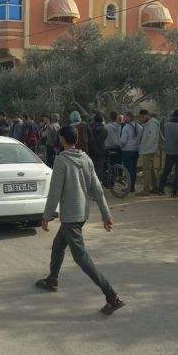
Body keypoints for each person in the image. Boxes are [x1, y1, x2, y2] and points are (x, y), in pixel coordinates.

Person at [35, 125, 125, 315]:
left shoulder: (61, 161)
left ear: (61, 140)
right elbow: (98, 190)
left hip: (70, 217)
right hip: (82, 214)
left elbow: (54, 192)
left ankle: (111, 295)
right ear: (76, 139)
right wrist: (106, 215)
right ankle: (52, 280)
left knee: (81, 257)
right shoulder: (86, 159)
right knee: (58, 246)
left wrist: (46, 217)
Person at [158, 110, 178, 197]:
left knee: (166, 171)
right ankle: (174, 192)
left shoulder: (166, 125)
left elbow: (163, 137)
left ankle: (160, 189)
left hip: (169, 152)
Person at [136, 109, 161, 195]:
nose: (142, 119)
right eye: (141, 117)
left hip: (148, 150)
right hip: (150, 149)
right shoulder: (150, 124)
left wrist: (145, 148)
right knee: (150, 170)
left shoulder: (151, 124)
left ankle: (146, 190)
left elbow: (151, 138)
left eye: (142, 117)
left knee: (146, 170)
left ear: (146, 115)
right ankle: (155, 188)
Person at [119, 112, 142, 193]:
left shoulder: (126, 127)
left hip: (127, 151)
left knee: (128, 170)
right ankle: (132, 187)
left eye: (125, 117)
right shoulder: (139, 127)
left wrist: (120, 147)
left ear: (129, 117)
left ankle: (129, 187)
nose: (124, 119)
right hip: (136, 151)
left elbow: (123, 141)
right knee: (133, 169)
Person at [88, 113, 108, 186]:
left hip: (91, 151)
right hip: (101, 151)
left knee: (91, 170)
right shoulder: (104, 129)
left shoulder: (89, 128)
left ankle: (92, 186)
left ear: (94, 120)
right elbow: (104, 138)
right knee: (99, 170)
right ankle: (98, 185)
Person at [103, 111, 122, 187]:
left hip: (108, 147)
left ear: (110, 117)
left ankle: (106, 182)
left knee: (106, 165)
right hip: (117, 147)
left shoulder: (106, 127)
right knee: (115, 165)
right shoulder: (119, 126)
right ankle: (112, 182)